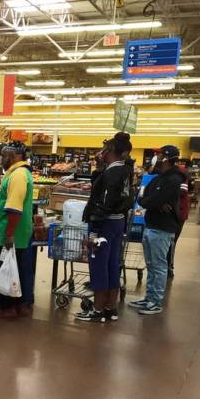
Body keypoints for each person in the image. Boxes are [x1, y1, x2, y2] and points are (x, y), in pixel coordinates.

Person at [76, 133, 134, 323]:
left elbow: (103, 202)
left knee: (99, 265)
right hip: (118, 222)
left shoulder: (111, 173)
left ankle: (98, 310)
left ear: (108, 152)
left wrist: (94, 231)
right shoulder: (125, 171)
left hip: (105, 223)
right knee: (112, 265)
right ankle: (111, 309)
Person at [129, 145, 182, 316]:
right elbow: (142, 197)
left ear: (166, 158)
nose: (155, 156)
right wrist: (153, 202)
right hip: (151, 225)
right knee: (151, 265)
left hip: (163, 228)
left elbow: (153, 199)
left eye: (159, 154)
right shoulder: (158, 177)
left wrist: (152, 201)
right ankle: (149, 297)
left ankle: (155, 302)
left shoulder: (173, 179)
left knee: (159, 266)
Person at [0, 143, 35, 319]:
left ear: (16, 156)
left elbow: (14, 209)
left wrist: (8, 234)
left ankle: (7, 309)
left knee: (6, 270)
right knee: (18, 269)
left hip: (11, 232)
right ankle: (21, 305)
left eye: (5, 155)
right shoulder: (19, 173)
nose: (2, 159)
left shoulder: (18, 176)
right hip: (18, 233)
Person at [168, 160, 191, 278]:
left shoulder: (180, 172)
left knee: (172, 241)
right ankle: (167, 265)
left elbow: (183, 191)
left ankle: (169, 266)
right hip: (170, 212)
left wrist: (164, 191)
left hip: (178, 213)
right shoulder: (166, 171)